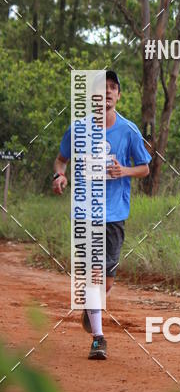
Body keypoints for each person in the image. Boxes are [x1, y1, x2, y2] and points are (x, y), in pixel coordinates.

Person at [52, 70, 152, 360]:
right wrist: (59, 176)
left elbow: (144, 168)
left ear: (118, 95)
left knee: (106, 282)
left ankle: (91, 306)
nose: (107, 92)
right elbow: (61, 160)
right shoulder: (77, 129)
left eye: (112, 87)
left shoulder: (129, 130)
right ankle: (98, 338)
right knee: (94, 275)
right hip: (85, 213)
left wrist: (125, 171)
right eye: (101, 88)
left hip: (115, 213)